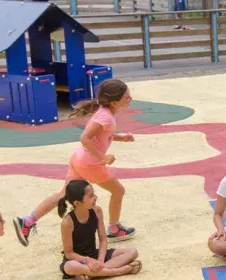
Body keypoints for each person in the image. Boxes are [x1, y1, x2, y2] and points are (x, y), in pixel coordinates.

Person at [13, 79, 137, 246]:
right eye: (127, 97)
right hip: (90, 164)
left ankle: (27, 221)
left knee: (63, 194)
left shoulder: (105, 112)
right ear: (114, 102)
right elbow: (85, 137)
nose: (130, 99)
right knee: (118, 191)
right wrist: (102, 157)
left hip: (79, 159)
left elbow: (102, 134)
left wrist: (121, 138)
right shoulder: (106, 117)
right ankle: (114, 228)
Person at [57, 180, 141, 280]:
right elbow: (69, 253)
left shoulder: (97, 211)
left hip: (95, 255)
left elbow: (103, 239)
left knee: (132, 252)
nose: (95, 197)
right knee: (70, 267)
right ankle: (119, 271)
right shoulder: (67, 222)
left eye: (94, 194)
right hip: (78, 260)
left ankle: (90, 275)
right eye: (91, 196)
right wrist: (88, 261)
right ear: (77, 203)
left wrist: (100, 261)